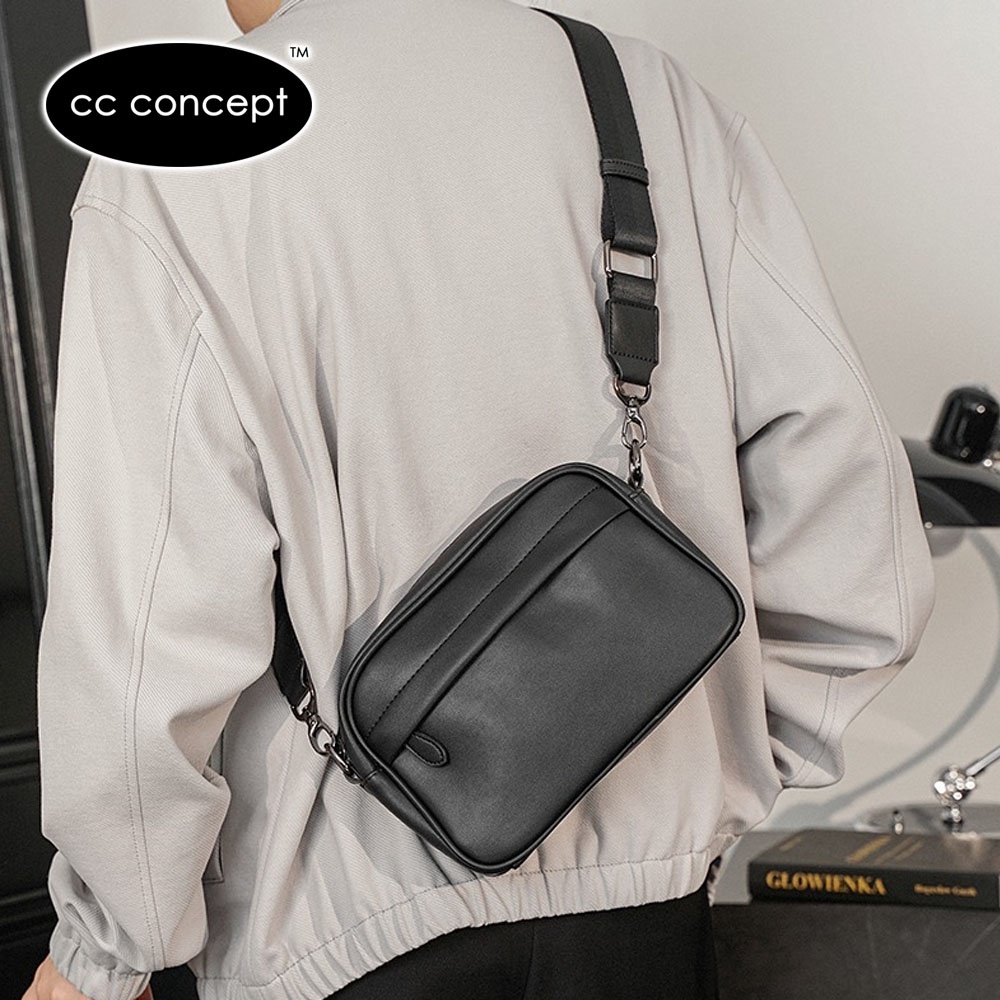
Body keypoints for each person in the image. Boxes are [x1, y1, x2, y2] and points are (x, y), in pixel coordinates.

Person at [26, 0, 935, 998]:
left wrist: (103, 951)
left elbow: (148, 625)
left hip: (341, 946)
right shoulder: (650, 98)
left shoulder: (175, 163)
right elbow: (854, 533)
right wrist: (709, 769)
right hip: (651, 927)